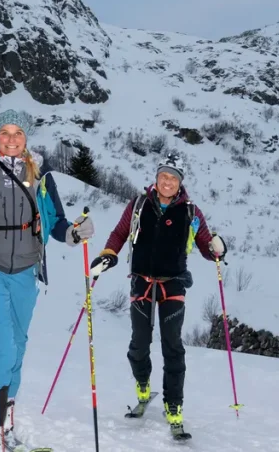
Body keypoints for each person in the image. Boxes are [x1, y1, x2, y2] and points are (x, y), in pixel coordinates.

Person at [0, 109, 94, 452]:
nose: (11, 139)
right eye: (5, 132)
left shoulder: (40, 174)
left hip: (27, 270)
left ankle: (5, 422)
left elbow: (56, 220)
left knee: (18, 345)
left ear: (26, 138)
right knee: (2, 345)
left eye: (18, 133)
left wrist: (73, 233)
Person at [89, 153, 227, 434]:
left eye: (173, 178)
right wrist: (108, 255)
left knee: (172, 345)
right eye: (164, 175)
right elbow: (119, 233)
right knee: (139, 343)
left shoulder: (190, 211)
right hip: (141, 281)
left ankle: (173, 404)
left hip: (173, 283)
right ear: (157, 177)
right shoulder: (139, 204)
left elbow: (204, 246)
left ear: (180, 183)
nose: (167, 181)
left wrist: (215, 250)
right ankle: (142, 383)